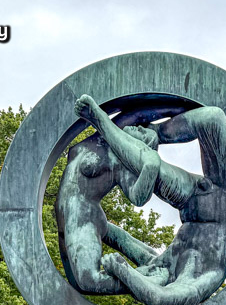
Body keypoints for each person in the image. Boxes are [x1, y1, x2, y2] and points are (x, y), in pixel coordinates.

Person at [74, 94, 226, 305]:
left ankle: (104, 122)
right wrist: (124, 271)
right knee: (212, 117)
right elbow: (162, 298)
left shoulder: (164, 266)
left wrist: (91, 221)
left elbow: (157, 294)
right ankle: (147, 133)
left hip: (201, 203)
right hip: (220, 201)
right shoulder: (205, 276)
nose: (149, 272)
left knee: (153, 166)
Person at [54, 117, 163, 295]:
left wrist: (151, 167)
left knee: (88, 281)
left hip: (83, 217)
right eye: (141, 128)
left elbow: (138, 198)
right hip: (68, 219)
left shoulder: (119, 163)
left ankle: (149, 280)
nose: (138, 128)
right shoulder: (104, 134)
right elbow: (135, 111)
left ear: (138, 148)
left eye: (143, 133)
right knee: (79, 286)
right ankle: (153, 267)